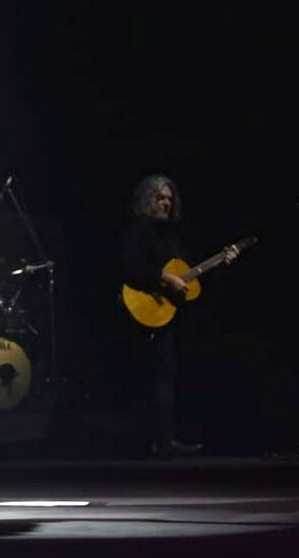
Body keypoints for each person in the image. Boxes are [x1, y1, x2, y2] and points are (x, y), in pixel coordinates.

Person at [118, 174, 238, 457]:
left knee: (168, 376)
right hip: (143, 312)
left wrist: (221, 263)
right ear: (147, 199)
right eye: (160, 198)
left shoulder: (172, 236)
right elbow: (130, 269)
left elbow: (192, 280)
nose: (166, 204)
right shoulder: (138, 231)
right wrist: (164, 278)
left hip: (169, 317)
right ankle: (155, 442)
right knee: (154, 378)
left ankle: (167, 439)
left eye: (170, 199)